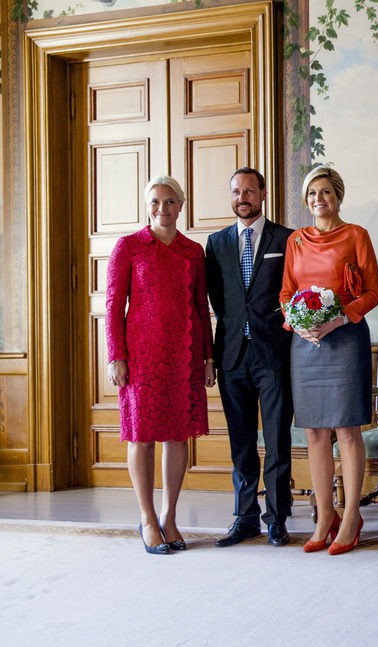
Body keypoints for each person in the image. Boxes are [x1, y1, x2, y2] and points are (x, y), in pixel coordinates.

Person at [106, 175, 216, 554]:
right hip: (141, 356)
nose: (162, 209)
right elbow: (113, 305)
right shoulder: (129, 247)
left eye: (170, 202)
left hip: (183, 353)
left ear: (181, 207)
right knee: (142, 435)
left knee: (177, 434)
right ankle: (147, 519)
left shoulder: (193, 251)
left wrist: (207, 356)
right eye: (155, 202)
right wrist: (115, 356)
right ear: (147, 205)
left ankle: (170, 517)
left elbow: (202, 308)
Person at [280, 165, 378, 555]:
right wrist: (295, 321)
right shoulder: (296, 241)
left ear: (338, 196)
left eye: (325, 192)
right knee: (314, 433)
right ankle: (326, 515)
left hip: (345, 339)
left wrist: (339, 318)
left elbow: (373, 291)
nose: (318, 200)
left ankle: (352, 514)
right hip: (306, 345)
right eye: (311, 195)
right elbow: (287, 291)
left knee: (346, 430)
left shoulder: (357, 235)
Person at [206, 167, 295, 547]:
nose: (242, 197)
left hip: (273, 354)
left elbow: (292, 291)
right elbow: (214, 298)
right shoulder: (216, 242)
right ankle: (245, 518)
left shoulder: (287, 239)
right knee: (241, 444)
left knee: (276, 442)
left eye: (249, 191)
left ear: (262, 193)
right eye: (236, 192)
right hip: (231, 356)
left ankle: (277, 518)